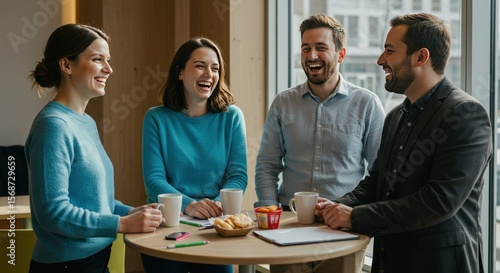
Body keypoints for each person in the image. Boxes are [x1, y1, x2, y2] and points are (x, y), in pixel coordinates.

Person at [316, 13, 492, 273]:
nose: (380, 60)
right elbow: (376, 183)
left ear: (420, 57)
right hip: (391, 261)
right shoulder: (395, 116)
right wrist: (335, 207)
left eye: (389, 50)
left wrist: (354, 217)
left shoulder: (465, 114)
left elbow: (438, 201)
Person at [25, 24, 162, 273]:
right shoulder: (53, 126)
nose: (109, 69)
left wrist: (131, 212)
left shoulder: (85, 122)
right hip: (67, 266)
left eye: (108, 60)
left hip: (95, 261)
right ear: (66, 65)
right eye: (98, 59)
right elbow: (53, 212)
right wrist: (121, 223)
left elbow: (95, 201)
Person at [255, 13, 385, 273]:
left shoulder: (367, 105)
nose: (311, 55)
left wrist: (355, 215)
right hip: (289, 228)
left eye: (321, 48)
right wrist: (270, 215)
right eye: (306, 48)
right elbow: (267, 166)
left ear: (341, 54)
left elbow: (379, 173)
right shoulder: (283, 103)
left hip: (344, 228)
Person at [141, 37, 247, 273]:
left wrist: (217, 207)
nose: (209, 73)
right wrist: (190, 205)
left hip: (216, 227)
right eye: (200, 65)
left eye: (215, 68)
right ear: (180, 73)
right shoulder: (156, 118)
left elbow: (238, 176)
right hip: (168, 226)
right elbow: (154, 181)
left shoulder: (232, 117)